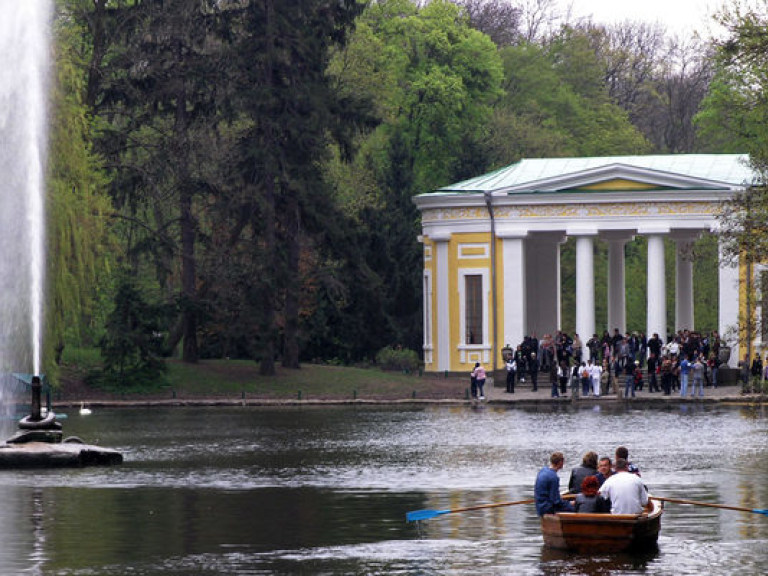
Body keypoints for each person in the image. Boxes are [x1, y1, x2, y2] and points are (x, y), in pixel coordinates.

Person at [534, 452, 575, 516]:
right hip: (548, 509)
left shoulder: (543, 470)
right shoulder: (553, 477)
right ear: (560, 463)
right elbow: (556, 501)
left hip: (539, 507)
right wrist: (570, 503)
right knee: (576, 508)